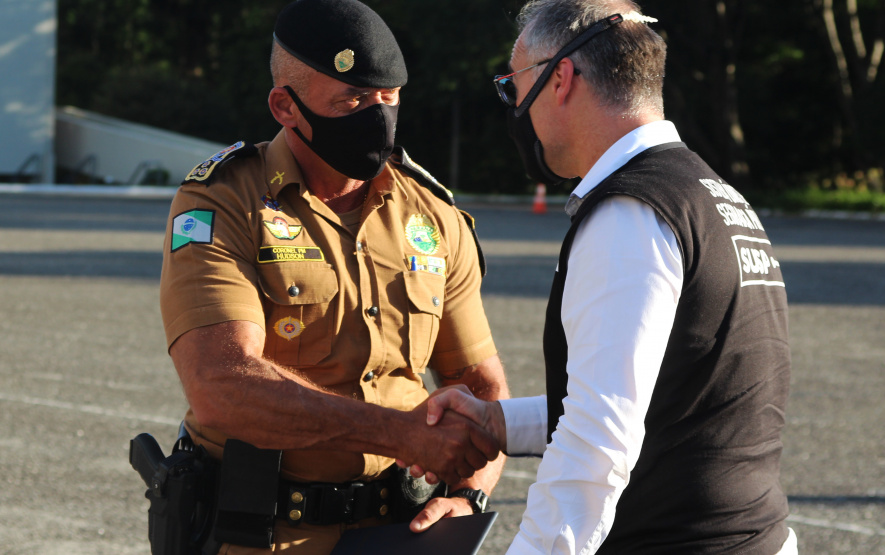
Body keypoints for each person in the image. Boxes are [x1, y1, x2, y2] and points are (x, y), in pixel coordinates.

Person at [408, 1, 798, 553]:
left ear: (560, 78)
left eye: (513, 86)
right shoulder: (710, 195)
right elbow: (665, 395)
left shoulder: (631, 212)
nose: (515, 107)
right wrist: (498, 421)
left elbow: (599, 434)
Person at [157, 0, 508, 553]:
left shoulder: (433, 216)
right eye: (353, 100)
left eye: (389, 98)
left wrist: (468, 495)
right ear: (285, 106)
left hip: (400, 532)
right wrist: (399, 433)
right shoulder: (223, 202)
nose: (378, 116)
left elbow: (481, 387)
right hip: (261, 534)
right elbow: (221, 385)